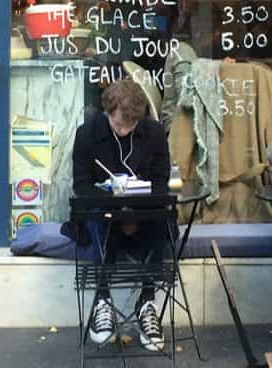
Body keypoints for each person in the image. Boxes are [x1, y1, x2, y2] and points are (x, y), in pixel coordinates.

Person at [71, 79, 171, 351]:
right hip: (104, 214)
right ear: (107, 113)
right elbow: (80, 186)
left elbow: (161, 182)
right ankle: (103, 298)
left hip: (146, 215)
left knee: (163, 216)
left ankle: (147, 299)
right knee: (95, 216)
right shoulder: (87, 134)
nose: (124, 131)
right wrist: (113, 202)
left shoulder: (154, 133)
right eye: (118, 125)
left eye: (130, 126)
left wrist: (136, 212)